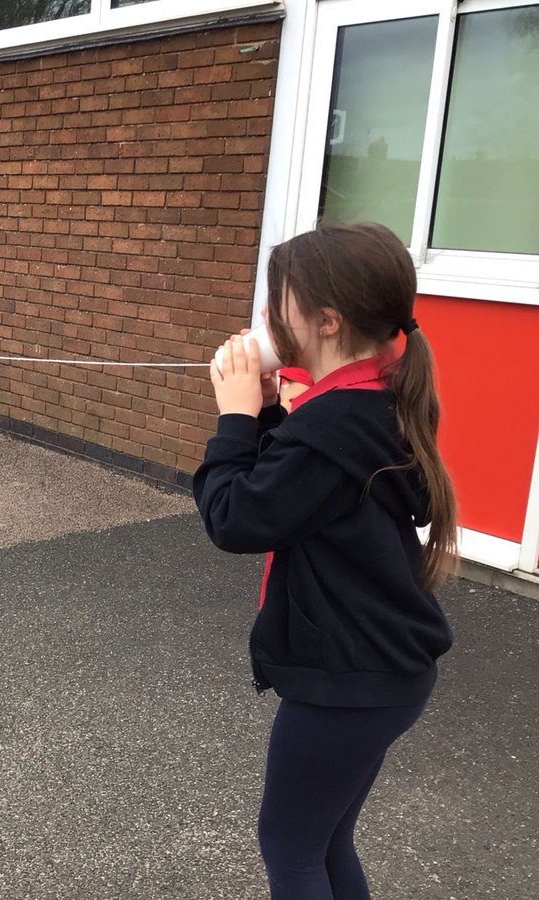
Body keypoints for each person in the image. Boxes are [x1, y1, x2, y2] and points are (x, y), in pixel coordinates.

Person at [193, 221, 457, 900]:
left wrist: (234, 419)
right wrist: (279, 413)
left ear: (328, 321)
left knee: (290, 848)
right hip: (386, 673)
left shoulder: (328, 427)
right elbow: (302, 492)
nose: (262, 316)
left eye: (276, 300)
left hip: (348, 681)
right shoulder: (370, 401)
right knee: (324, 840)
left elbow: (237, 517)